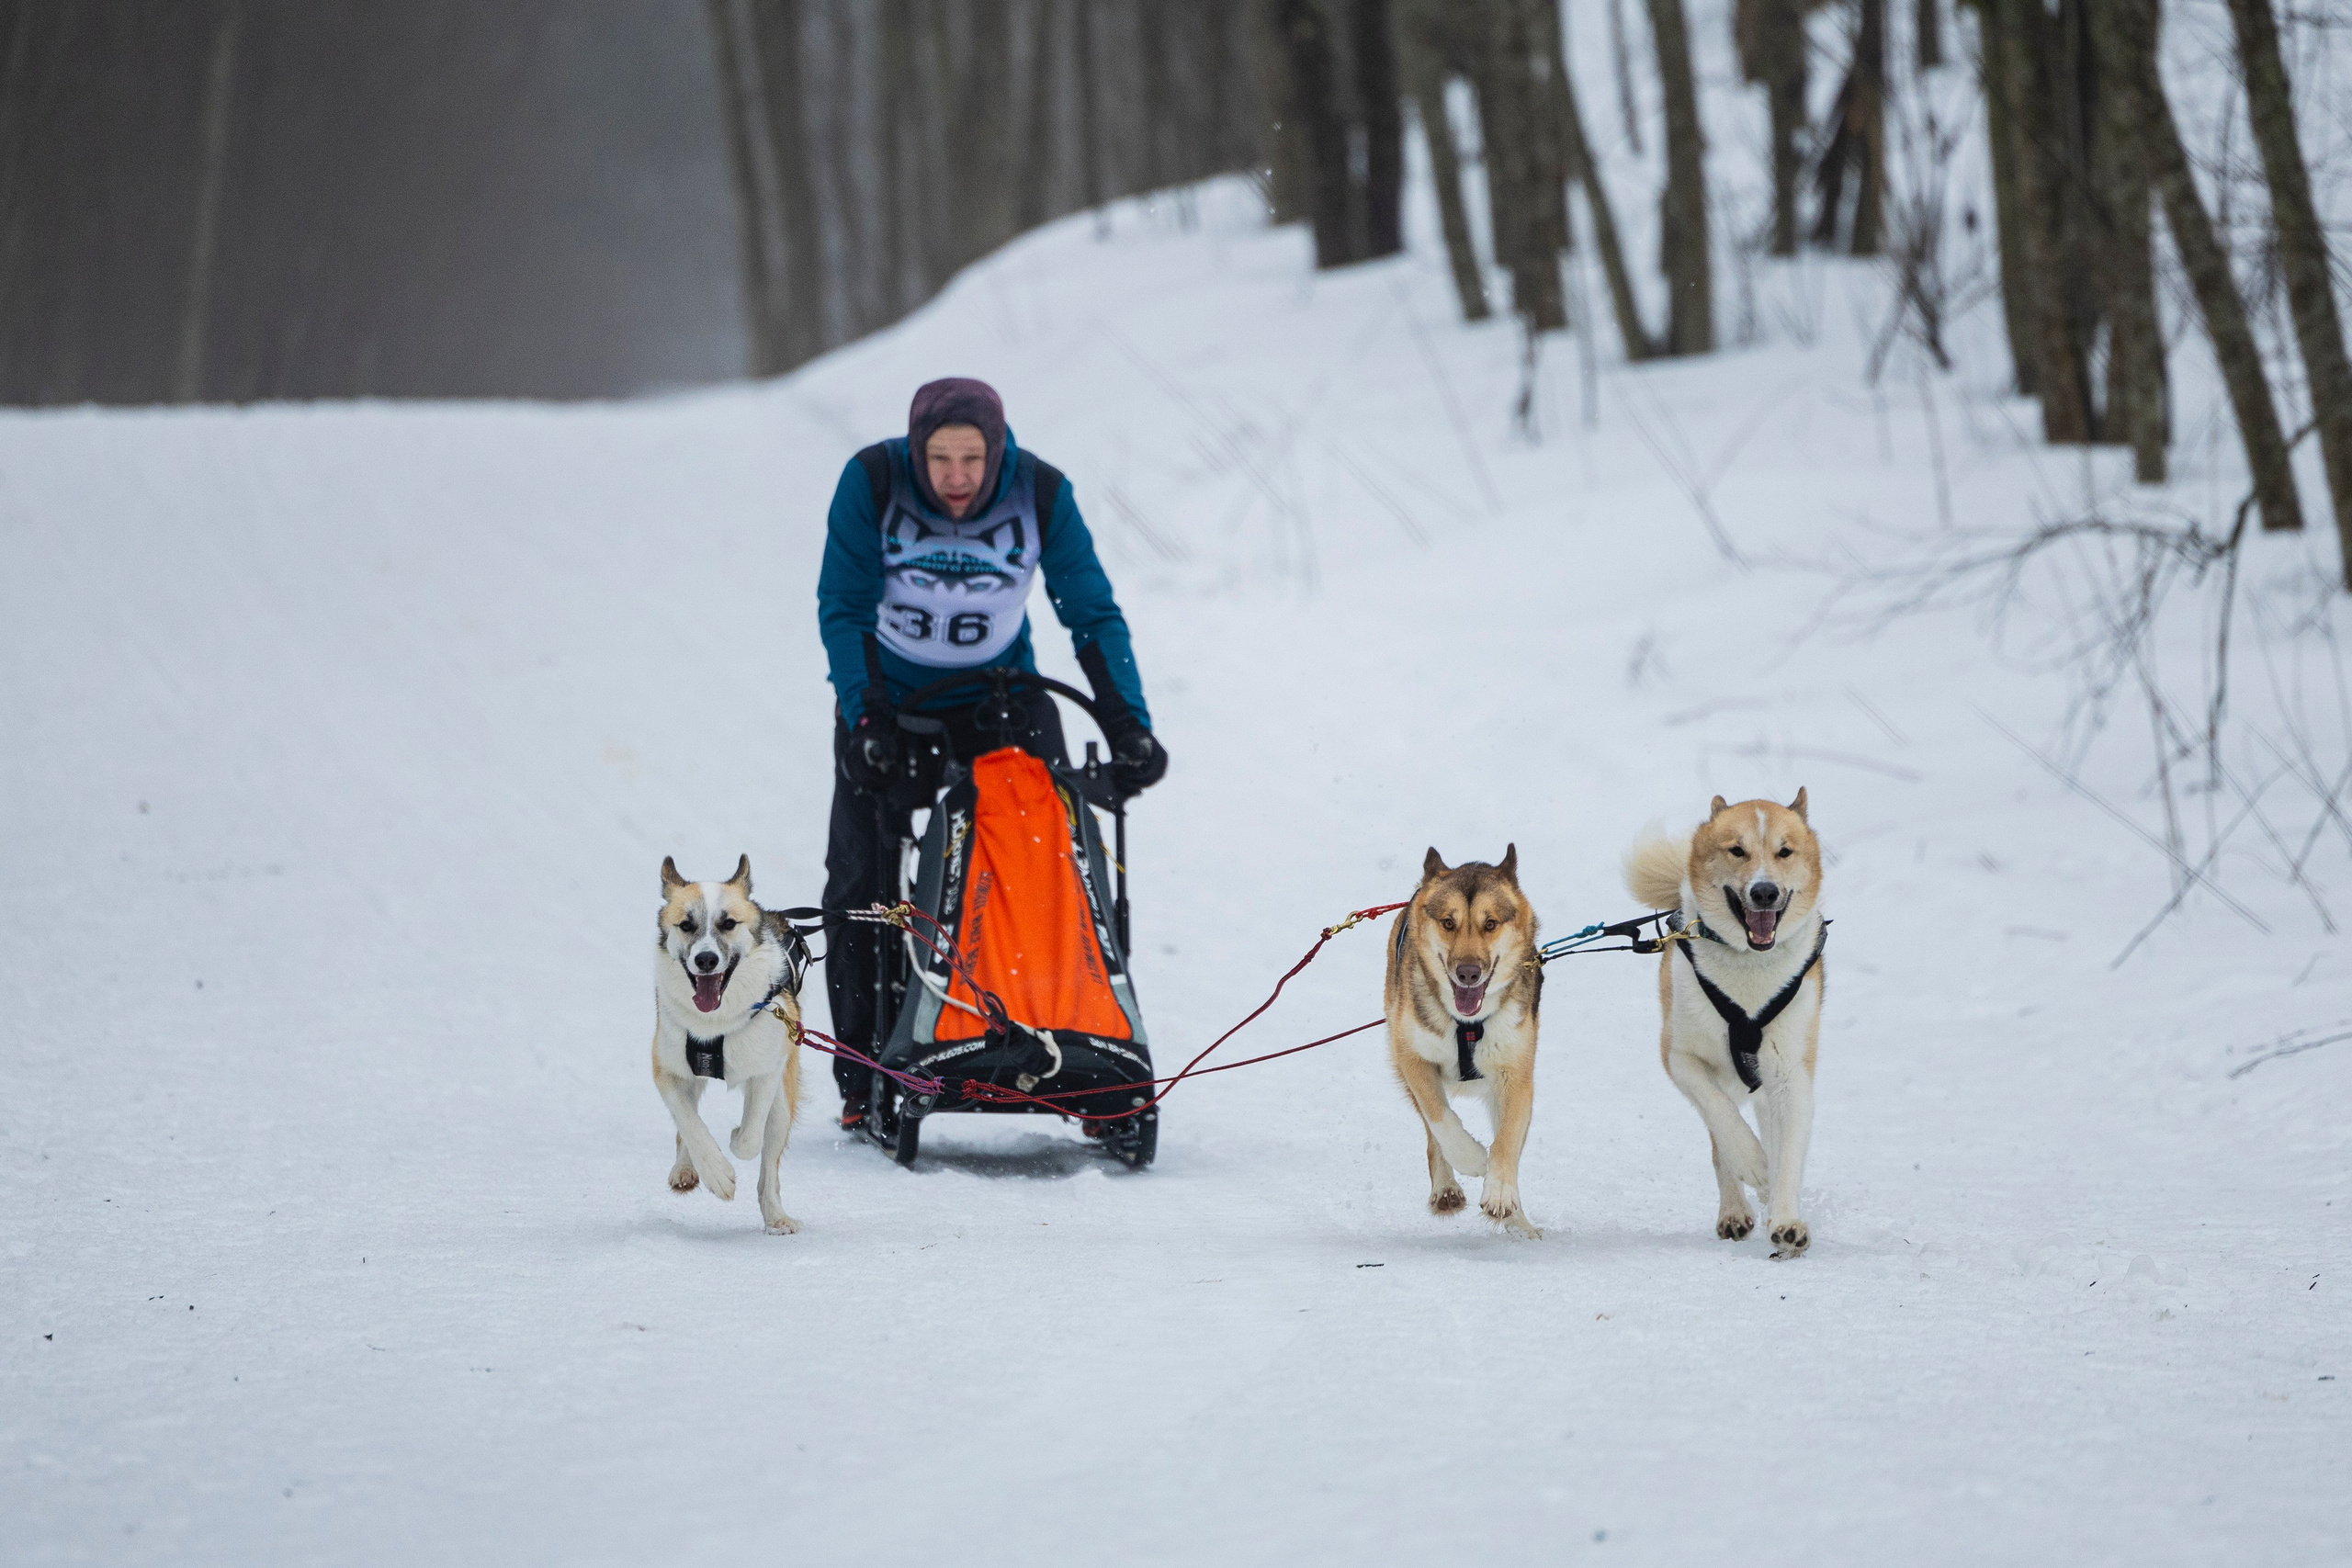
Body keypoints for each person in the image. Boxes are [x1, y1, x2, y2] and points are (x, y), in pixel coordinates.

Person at [817, 378, 1167, 1122]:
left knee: (1048, 861)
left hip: (1001, 697)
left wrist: (1127, 723)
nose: (956, 476)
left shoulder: (1039, 491)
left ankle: (1053, 1036)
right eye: (939, 458)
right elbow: (843, 608)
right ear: (916, 452)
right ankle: (863, 1072)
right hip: (888, 699)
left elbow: (1091, 611)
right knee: (861, 883)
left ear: (998, 450)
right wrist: (865, 718)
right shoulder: (872, 481)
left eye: (973, 457)